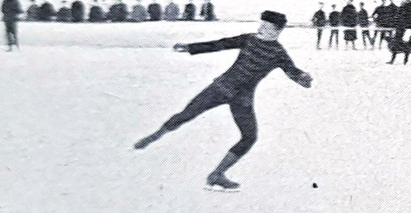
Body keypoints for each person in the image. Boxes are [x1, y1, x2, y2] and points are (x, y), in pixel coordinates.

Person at [133, 10, 314, 190]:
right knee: (187, 114)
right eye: (261, 24)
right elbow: (221, 44)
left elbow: (292, 71)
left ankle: (217, 174)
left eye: (266, 27)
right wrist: (191, 47)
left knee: (249, 137)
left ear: (277, 31)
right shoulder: (248, 39)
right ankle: (155, 135)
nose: (260, 28)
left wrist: (303, 78)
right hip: (220, 88)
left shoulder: (278, 53)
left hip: (242, 99)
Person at [387, 0, 411, 64]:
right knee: (396, 43)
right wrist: (396, 23)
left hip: (410, 27)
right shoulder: (403, 6)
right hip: (401, 26)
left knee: (408, 44)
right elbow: (398, 14)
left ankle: (405, 60)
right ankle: (392, 60)